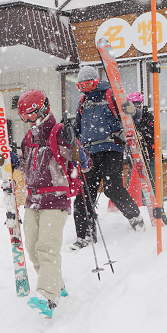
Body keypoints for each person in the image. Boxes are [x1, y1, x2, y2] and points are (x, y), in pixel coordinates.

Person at [17, 89, 77, 318]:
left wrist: (74, 147)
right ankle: (57, 284)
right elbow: (25, 166)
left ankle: (47, 296)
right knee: (32, 249)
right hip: (33, 199)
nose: (29, 121)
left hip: (55, 198)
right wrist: (11, 160)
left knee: (47, 248)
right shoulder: (28, 139)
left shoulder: (59, 132)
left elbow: (84, 162)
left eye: (32, 115)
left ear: (43, 109)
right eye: (24, 117)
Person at [71, 65, 145, 250]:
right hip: (90, 153)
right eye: (81, 86)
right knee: (85, 194)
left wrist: (133, 111)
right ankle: (85, 235)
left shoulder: (110, 94)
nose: (85, 90)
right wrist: (70, 133)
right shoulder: (83, 102)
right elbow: (78, 128)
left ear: (96, 82)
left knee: (112, 188)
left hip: (111, 148)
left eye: (88, 85)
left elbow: (133, 118)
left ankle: (134, 217)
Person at [127, 91, 156, 185]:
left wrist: (141, 131)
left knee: (151, 175)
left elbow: (152, 133)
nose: (135, 107)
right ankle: (132, 195)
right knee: (132, 175)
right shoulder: (127, 118)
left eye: (137, 104)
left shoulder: (148, 116)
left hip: (149, 152)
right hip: (134, 152)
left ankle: (154, 196)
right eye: (132, 104)